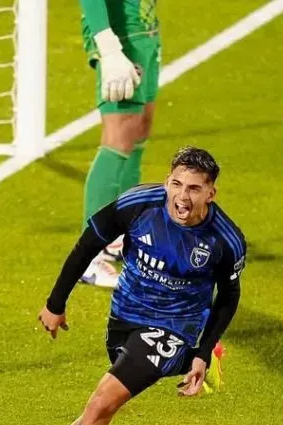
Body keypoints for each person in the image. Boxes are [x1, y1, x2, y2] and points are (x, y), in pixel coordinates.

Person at [0, 147, 246, 425]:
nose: (182, 196)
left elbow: (228, 297)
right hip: (125, 316)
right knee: (101, 413)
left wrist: (202, 348)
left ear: (211, 193)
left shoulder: (225, 240)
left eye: (194, 188)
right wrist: (55, 303)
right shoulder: (138, 205)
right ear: (166, 181)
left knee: (99, 407)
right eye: (176, 184)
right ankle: (189, 363)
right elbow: (88, 244)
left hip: (173, 327)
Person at [78, 0, 161, 288]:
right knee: (119, 135)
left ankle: (120, 234)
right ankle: (87, 258)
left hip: (145, 29)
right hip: (118, 37)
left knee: (139, 129)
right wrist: (109, 48)